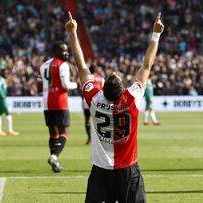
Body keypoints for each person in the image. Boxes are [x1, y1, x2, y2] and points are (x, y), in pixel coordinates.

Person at [66, 11, 164, 203]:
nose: (114, 73)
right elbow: (146, 66)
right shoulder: (132, 98)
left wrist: (72, 33)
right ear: (122, 89)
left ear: (103, 88)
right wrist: (156, 34)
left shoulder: (94, 99)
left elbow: (81, 67)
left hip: (101, 171)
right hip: (128, 168)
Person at [37, 42, 78, 173]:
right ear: (55, 51)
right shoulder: (63, 65)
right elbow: (65, 84)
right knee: (63, 133)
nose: (66, 53)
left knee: (53, 133)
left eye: (67, 51)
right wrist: (76, 85)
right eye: (63, 51)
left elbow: (38, 86)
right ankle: (54, 156)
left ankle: (55, 162)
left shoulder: (43, 66)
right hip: (60, 102)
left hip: (47, 104)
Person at [0, 68, 19, 136]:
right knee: (8, 113)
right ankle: (10, 130)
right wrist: (2, 95)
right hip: (1, 99)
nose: (7, 74)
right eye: (6, 73)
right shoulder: (1, 79)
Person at [83, 65, 105, 145]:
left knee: (87, 119)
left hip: (87, 100)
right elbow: (104, 90)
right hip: (99, 101)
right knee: (100, 120)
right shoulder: (101, 78)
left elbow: (83, 88)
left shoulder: (88, 78)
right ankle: (100, 138)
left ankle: (89, 137)